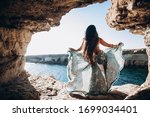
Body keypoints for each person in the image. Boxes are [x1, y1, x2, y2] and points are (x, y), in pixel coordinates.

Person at [66, 25, 124, 96]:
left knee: (96, 71)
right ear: (95, 31)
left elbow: (79, 49)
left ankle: (95, 88)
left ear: (87, 32)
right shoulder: (98, 39)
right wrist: (117, 46)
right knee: (101, 70)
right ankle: (99, 88)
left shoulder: (85, 39)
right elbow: (109, 45)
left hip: (94, 57)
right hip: (100, 56)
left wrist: (73, 50)